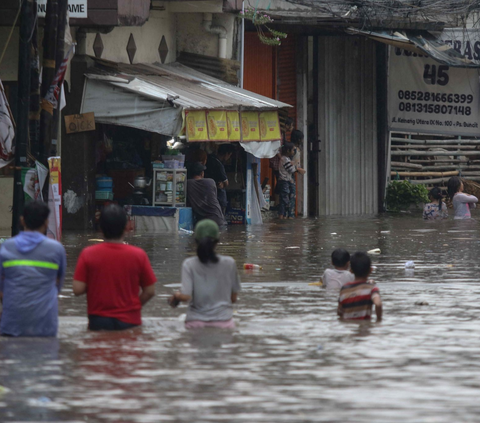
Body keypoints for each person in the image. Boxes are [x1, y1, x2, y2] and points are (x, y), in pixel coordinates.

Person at [73, 204, 156, 331]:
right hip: (130, 321)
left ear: (100, 228)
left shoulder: (88, 254)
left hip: (98, 321)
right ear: (126, 227)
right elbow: (150, 291)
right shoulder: (139, 255)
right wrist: (134, 307)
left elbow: (77, 289)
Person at [0, 201, 66, 337]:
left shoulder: (6, 247)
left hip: (12, 324)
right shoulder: (56, 249)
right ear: (47, 222)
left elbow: (1, 288)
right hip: (45, 325)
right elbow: (58, 285)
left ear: (22, 220)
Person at [168, 219, 241, 329]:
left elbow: (186, 296)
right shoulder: (229, 263)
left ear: (196, 241)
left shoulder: (189, 264)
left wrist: (176, 295)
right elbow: (233, 298)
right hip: (224, 323)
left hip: (195, 323)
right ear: (217, 241)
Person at [337, 252, 382, 321]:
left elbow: (340, 312)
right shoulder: (372, 289)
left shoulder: (344, 289)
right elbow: (378, 304)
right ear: (371, 270)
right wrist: (378, 320)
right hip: (365, 328)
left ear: (351, 271)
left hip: (348, 328)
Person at [187, 162, 227, 227]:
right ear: (202, 173)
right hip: (217, 219)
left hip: (202, 222)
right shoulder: (210, 182)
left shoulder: (188, 184)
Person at [278, 142, 306, 219]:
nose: (294, 152)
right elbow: (291, 169)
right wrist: (298, 169)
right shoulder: (284, 159)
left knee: (285, 199)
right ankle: (282, 216)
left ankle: (283, 216)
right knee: (285, 199)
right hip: (284, 181)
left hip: (286, 181)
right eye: (293, 150)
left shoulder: (286, 159)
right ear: (288, 151)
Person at [204, 144, 235, 215]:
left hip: (207, 197)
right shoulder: (219, 164)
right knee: (219, 220)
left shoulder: (209, 159)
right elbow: (226, 183)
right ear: (227, 154)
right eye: (229, 155)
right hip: (218, 198)